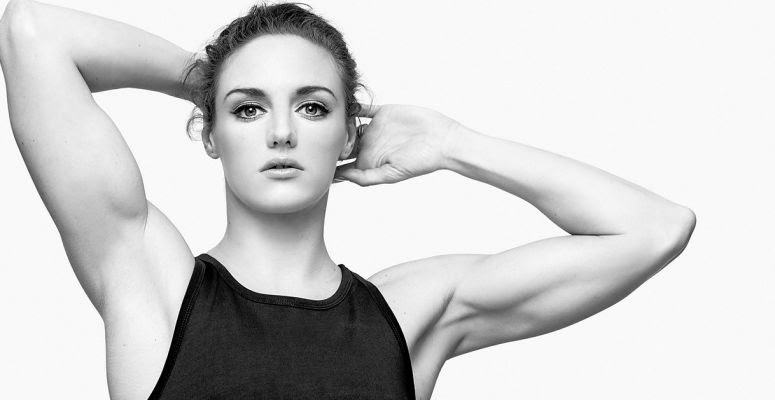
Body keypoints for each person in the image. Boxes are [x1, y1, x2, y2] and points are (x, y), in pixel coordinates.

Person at [0, 0, 696, 399]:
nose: (280, 132)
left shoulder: (408, 313)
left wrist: (453, 144)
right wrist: (210, 82)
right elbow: (31, 32)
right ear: (211, 133)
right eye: (247, 109)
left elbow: (654, 228)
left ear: (347, 133)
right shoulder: (151, 283)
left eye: (310, 106)